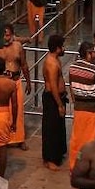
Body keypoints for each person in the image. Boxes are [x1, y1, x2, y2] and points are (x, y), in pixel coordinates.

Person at [68, 41, 95, 170]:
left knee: (77, 138)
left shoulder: (72, 67)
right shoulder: (94, 69)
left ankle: (74, 166)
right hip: (92, 109)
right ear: (88, 53)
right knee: (92, 139)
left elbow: (71, 85)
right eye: (94, 52)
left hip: (79, 107)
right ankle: (89, 168)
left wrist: (75, 101)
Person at [0, 24, 31, 149]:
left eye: (8, 35)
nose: (5, 37)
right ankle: (3, 137)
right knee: (4, 111)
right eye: (3, 35)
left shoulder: (18, 46)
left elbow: (24, 65)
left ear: (13, 35)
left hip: (16, 81)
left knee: (18, 111)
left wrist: (29, 82)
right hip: (1, 83)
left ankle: (20, 138)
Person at [0, 56, 19, 178]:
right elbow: (15, 105)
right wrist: (14, 122)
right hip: (4, 116)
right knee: (2, 148)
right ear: (4, 68)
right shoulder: (11, 84)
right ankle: (1, 177)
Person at [41, 34, 68, 172]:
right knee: (51, 129)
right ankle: (50, 159)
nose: (64, 48)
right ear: (57, 48)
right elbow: (52, 86)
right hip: (53, 99)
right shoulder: (51, 63)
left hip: (58, 97)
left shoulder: (56, 60)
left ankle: (55, 156)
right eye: (62, 46)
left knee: (57, 129)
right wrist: (59, 105)